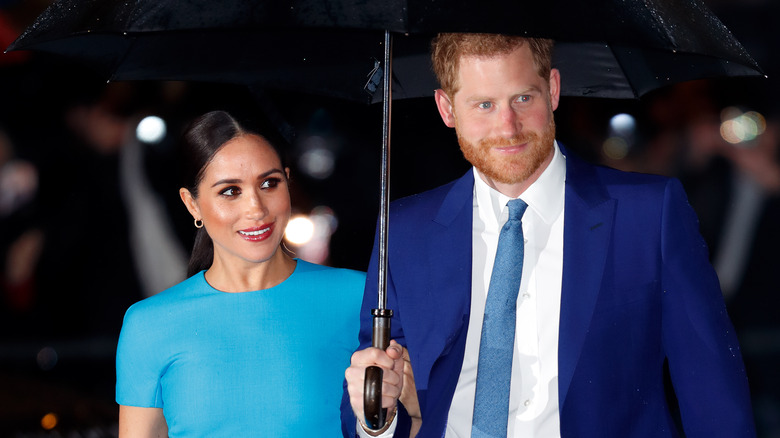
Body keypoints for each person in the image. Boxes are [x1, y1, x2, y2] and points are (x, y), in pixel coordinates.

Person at [341, 33, 756, 438]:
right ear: (447, 108)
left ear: (553, 90)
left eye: (523, 98)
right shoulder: (405, 229)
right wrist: (377, 414)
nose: (508, 126)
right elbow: (372, 399)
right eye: (484, 104)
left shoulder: (649, 213)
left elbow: (712, 390)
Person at [115, 110, 365, 437]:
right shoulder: (148, 325)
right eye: (230, 191)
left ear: (288, 181)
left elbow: (413, 421)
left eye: (269, 183)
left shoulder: (359, 298)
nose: (256, 209)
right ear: (192, 204)